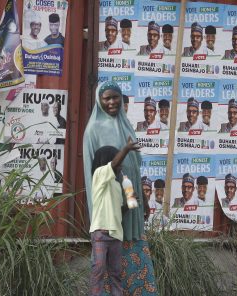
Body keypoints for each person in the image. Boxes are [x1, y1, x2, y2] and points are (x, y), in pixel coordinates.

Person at [83, 82, 157, 295]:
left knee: (131, 244)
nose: (112, 102)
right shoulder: (93, 130)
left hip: (128, 197)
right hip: (108, 204)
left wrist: (140, 198)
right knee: (104, 263)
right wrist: (98, 209)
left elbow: (133, 166)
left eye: (116, 97)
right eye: (107, 98)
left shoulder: (126, 125)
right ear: (99, 100)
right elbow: (94, 174)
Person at [89, 142, 140, 296]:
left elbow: (117, 211)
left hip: (116, 235)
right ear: (107, 161)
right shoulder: (99, 175)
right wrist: (126, 149)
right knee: (98, 272)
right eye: (119, 163)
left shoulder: (117, 185)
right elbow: (114, 164)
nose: (120, 167)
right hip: (101, 233)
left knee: (116, 274)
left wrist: (129, 205)